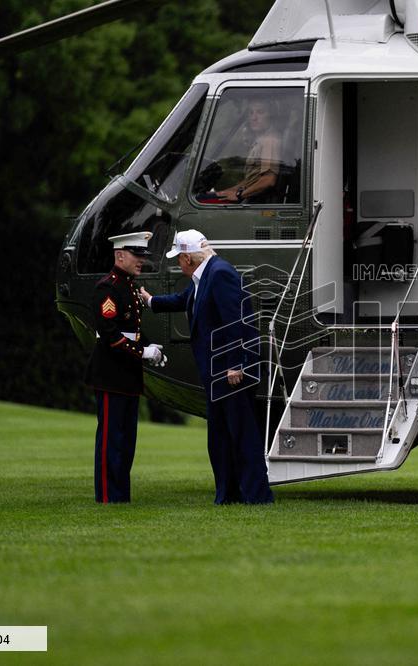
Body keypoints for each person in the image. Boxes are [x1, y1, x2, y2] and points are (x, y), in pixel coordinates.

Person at [140, 229, 273, 504]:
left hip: (230, 372)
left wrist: (237, 364)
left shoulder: (220, 274)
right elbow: (184, 300)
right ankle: (229, 495)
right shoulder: (206, 275)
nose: (179, 264)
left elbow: (235, 321)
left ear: (188, 258)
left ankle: (257, 496)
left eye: (179, 258)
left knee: (242, 434)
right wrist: (151, 301)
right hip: (217, 373)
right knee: (221, 437)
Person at [84, 231, 166, 503]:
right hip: (110, 373)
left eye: (143, 255)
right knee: (111, 438)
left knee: (127, 440)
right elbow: (110, 335)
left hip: (128, 374)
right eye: (137, 255)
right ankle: (108, 495)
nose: (141, 260)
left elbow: (135, 332)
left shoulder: (129, 286)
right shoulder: (107, 288)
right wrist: (143, 353)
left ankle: (121, 495)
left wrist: (152, 351)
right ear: (120, 255)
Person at [210, 99, 282, 203]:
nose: (254, 117)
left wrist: (239, 195)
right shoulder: (261, 140)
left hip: (257, 202)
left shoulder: (269, 140)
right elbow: (251, 180)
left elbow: (268, 180)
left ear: (271, 115)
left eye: (260, 112)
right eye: (251, 112)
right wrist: (228, 191)